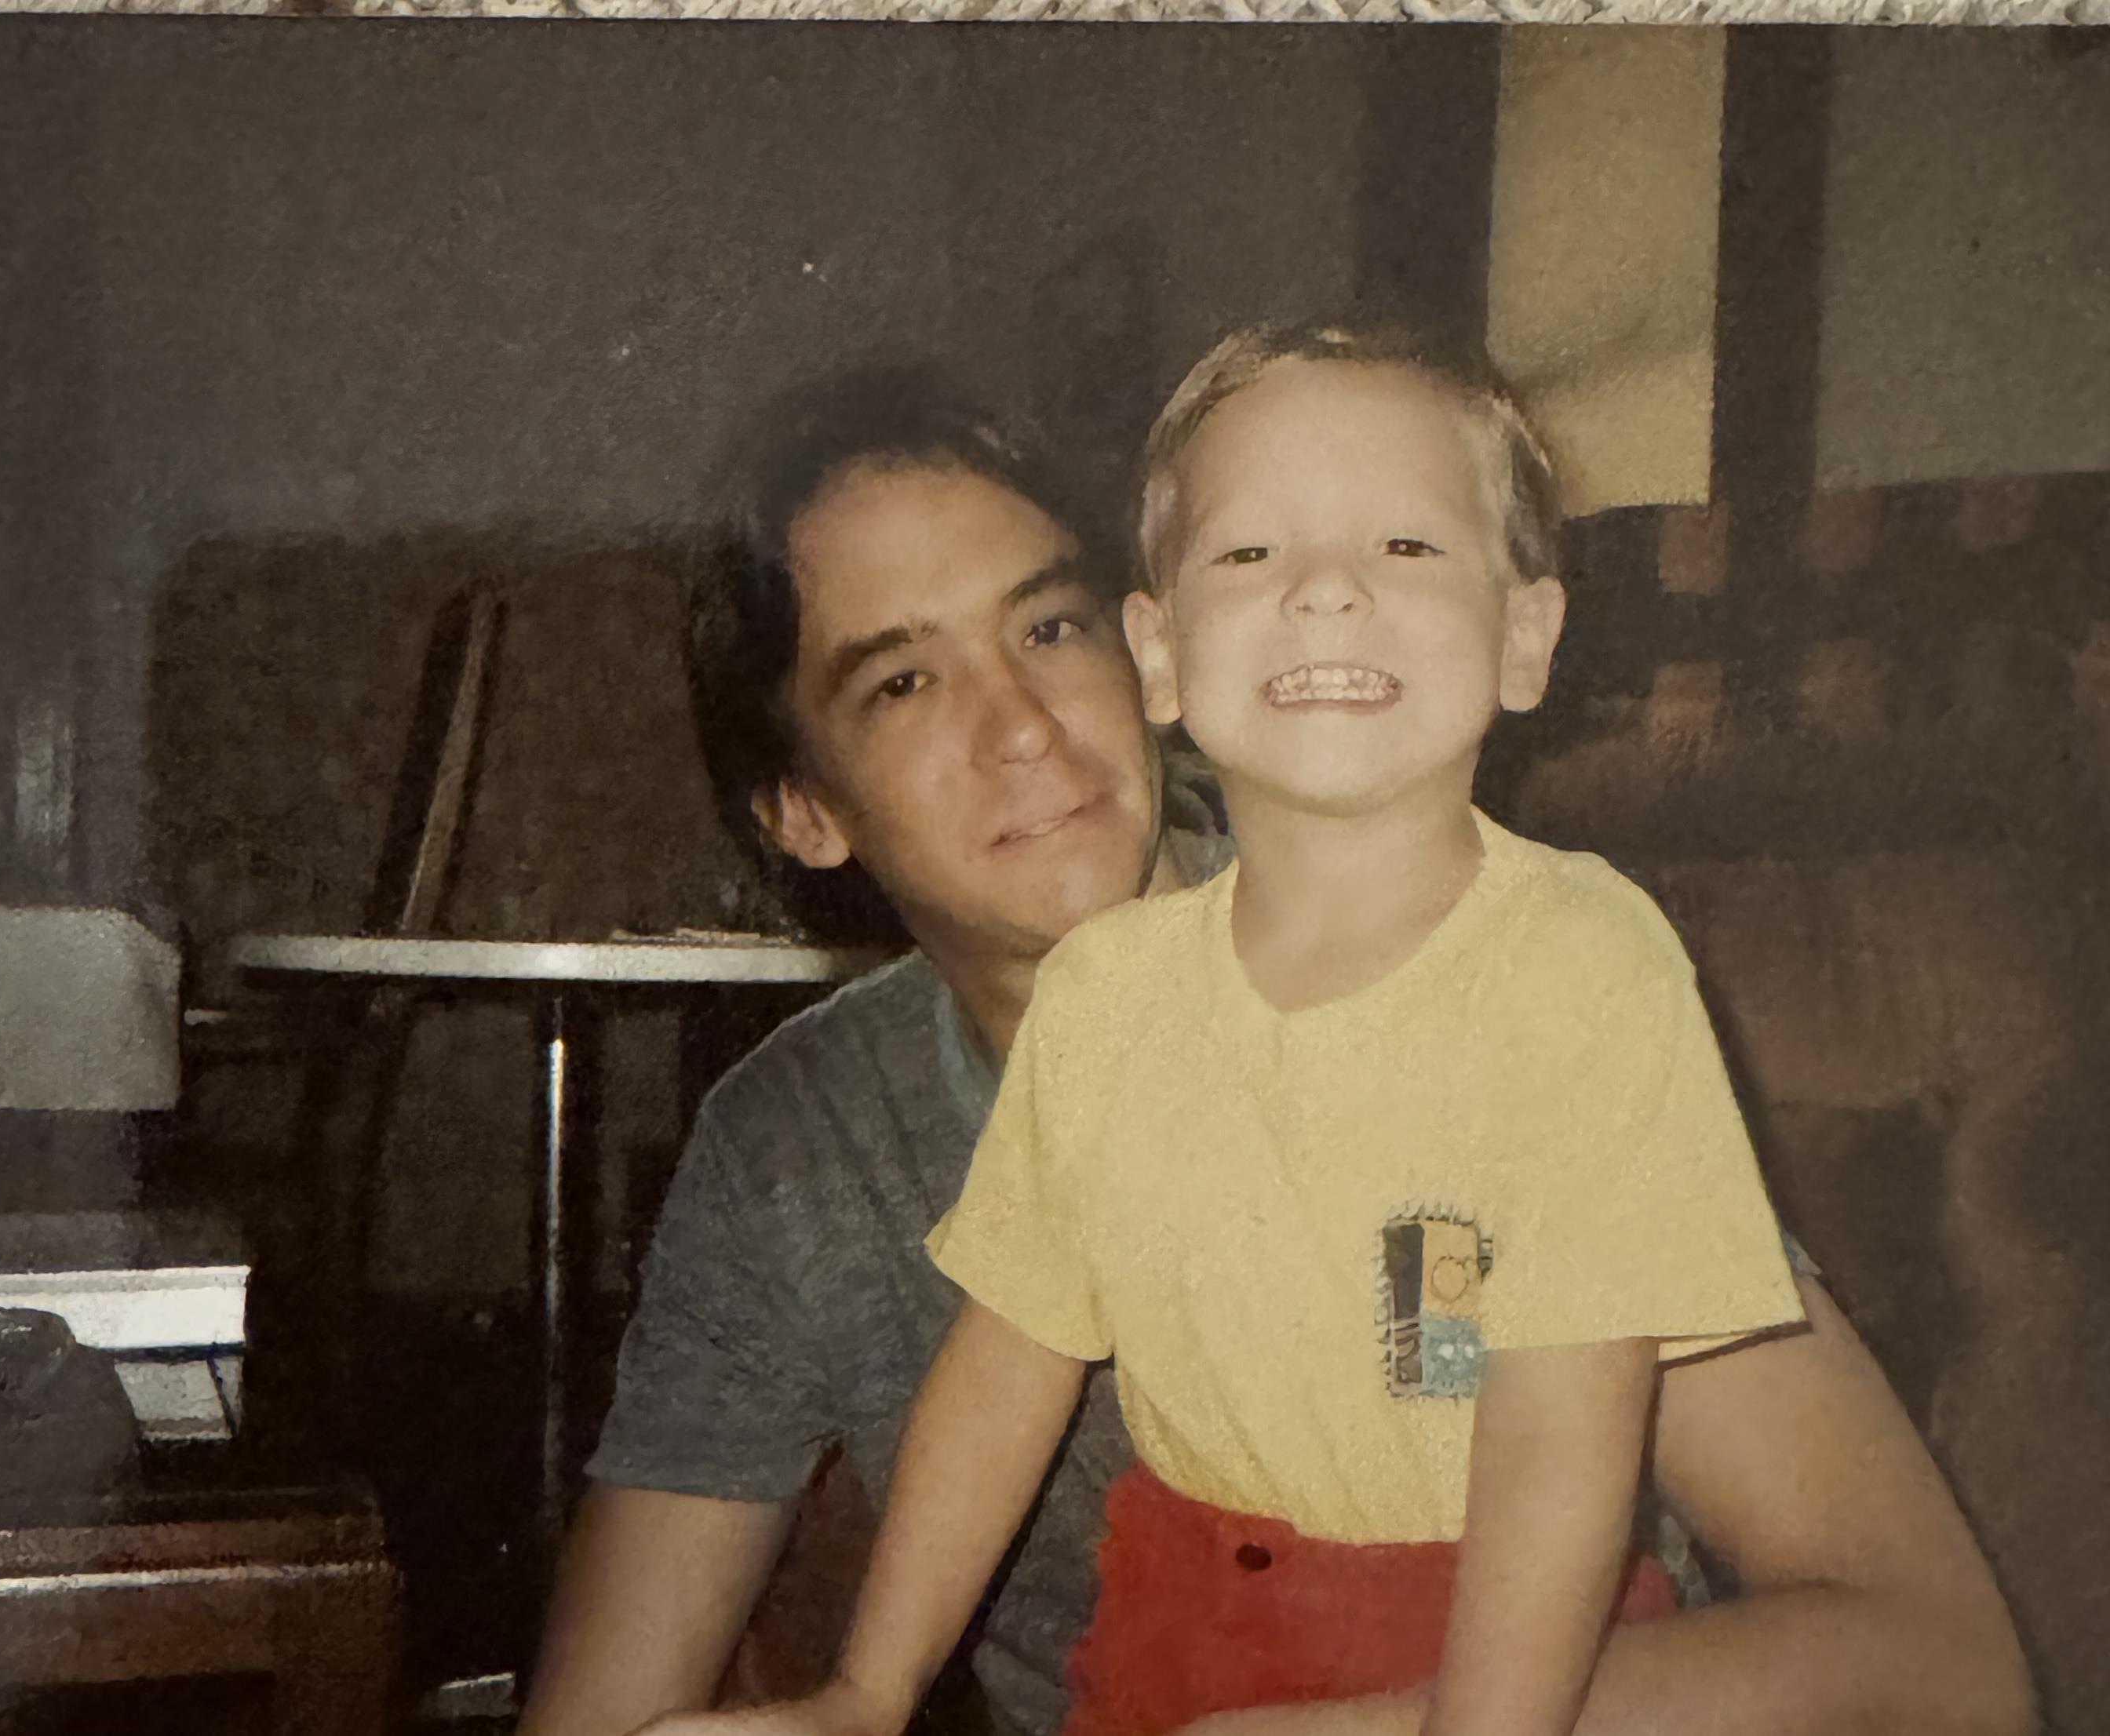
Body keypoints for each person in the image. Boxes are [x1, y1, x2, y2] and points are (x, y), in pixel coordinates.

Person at [521, 362, 2031, 1736]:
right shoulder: (810, 1141)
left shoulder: (1543, 981)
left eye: (1044, 624)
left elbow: (1942, 1668)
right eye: (904, 679)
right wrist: (863, 1692)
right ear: (805, 807)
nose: (1026, 726)